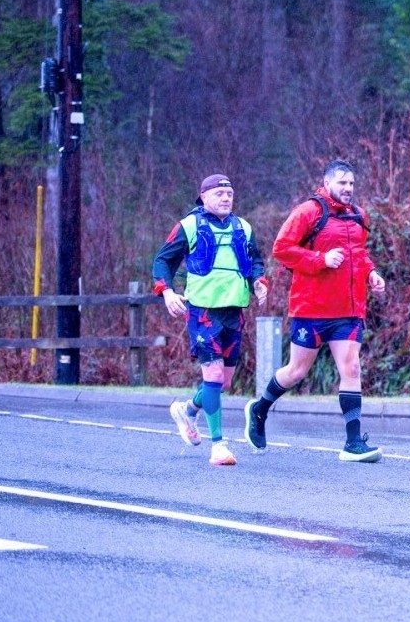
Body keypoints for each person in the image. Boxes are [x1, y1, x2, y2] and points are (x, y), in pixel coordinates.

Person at [243, 159, 386, 462]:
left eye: (351, 184)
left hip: (348, 309)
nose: (348, 189)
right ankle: (260, 408)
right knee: (297, 372)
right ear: (328, 183)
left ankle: (353, 443)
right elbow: (282, 248)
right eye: (342, 183)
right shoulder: (309, 211)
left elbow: (359, 254)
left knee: (351, 368)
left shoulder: (359, 216)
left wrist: (371, 274)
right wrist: (320, 260)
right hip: (311, 308)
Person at [155, 174, 268, 466]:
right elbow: (162, 261)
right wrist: (166, 292)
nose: (226, 197)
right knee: (214, 377)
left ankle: (188, 410)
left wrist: (259, 281)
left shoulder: (244, 227)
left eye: (229, 192)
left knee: (222, 382)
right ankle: (218, 446)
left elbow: (256, 260)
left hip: (234, 313)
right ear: (203, 197)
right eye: (219, 193)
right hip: (202, 312)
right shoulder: (189, 225)